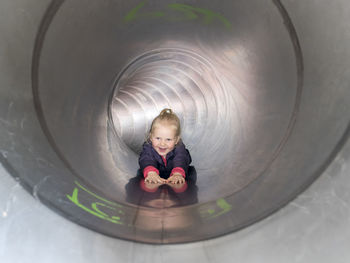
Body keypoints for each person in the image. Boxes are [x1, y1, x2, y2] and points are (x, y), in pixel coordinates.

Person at [138, 108, 192, 184]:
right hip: (155, 173)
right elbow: (146, 158)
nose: (162, 144)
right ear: (151, 137)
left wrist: (177, 173)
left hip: (176, 173)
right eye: (158, 138)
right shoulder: (148, 146)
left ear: (176, 140)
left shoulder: (179, 147)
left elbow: (181, 158)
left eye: (168, 139)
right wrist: (151, 173)